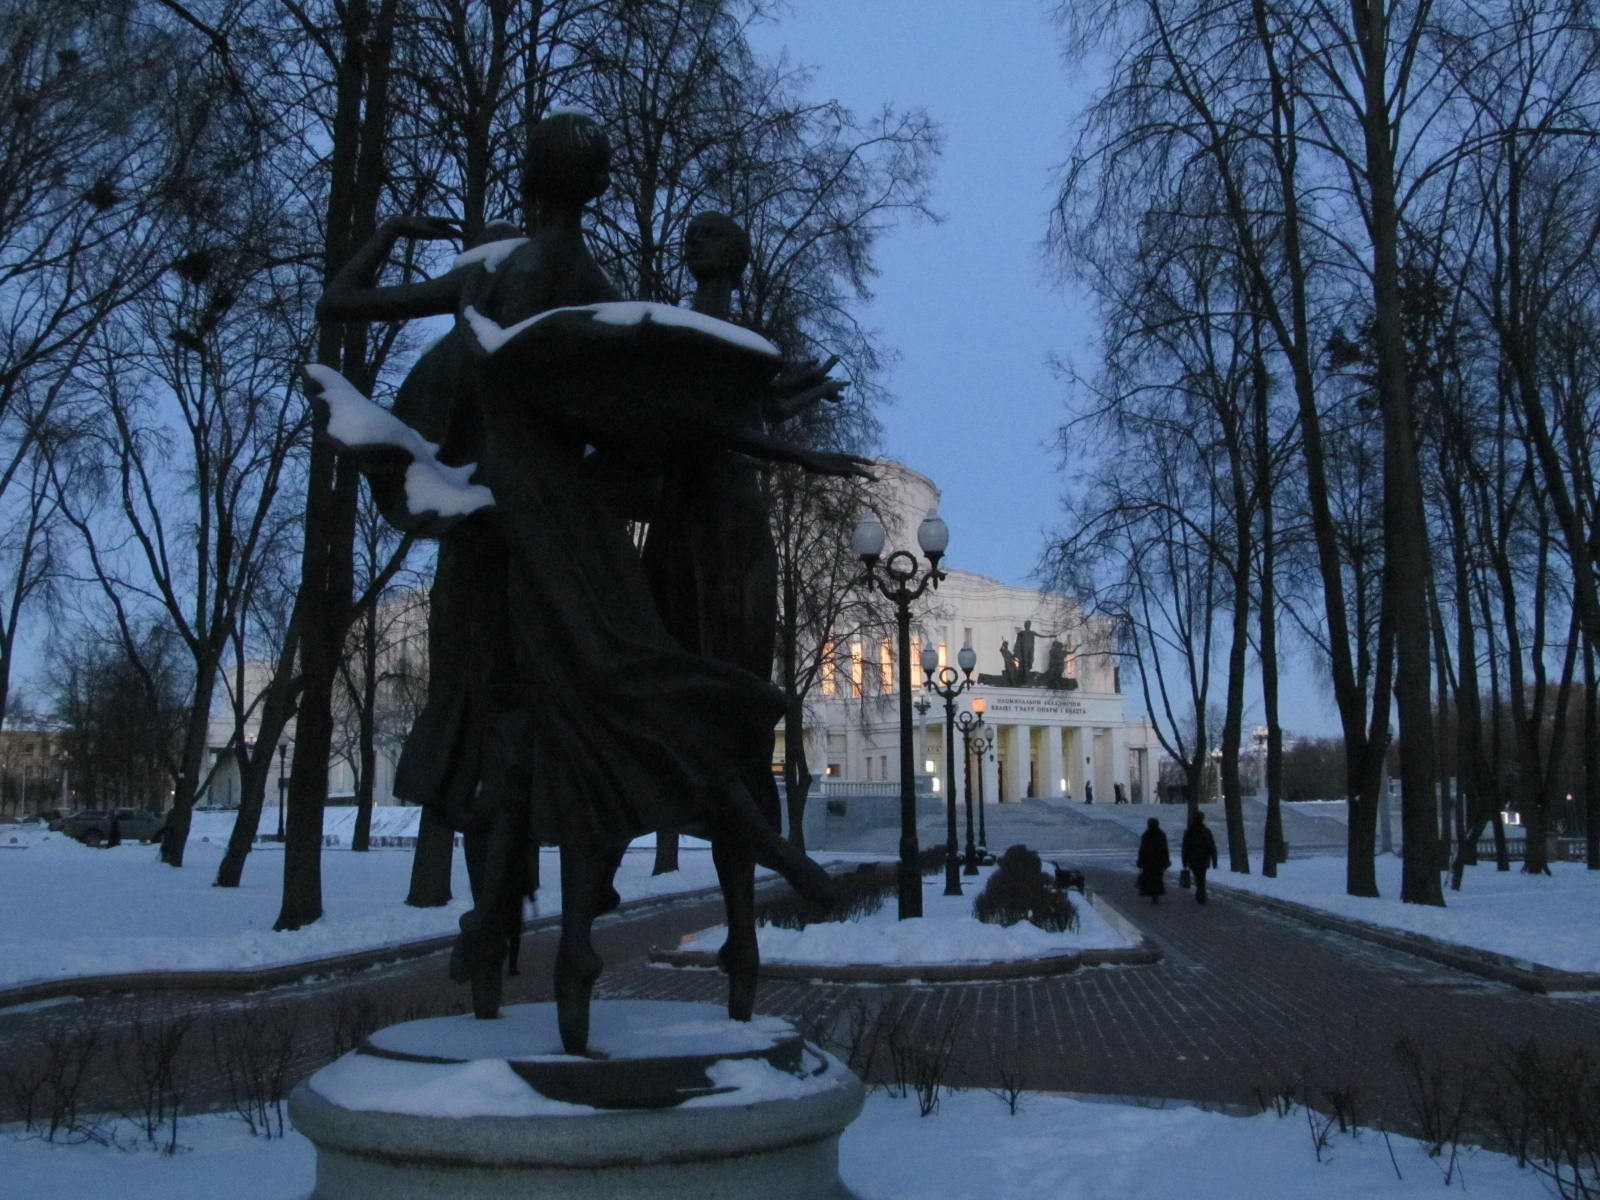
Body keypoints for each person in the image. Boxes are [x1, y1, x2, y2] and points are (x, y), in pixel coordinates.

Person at [1181, 810, 1219, 904]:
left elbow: (1185, 847)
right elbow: (1212, 846)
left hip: (1193, 859)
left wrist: (1184, 860)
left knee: (1198, 877)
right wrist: (1214, 860)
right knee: (1201, 877)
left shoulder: (1189, 831)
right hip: (1204, 858)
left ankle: (1200, 894)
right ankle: (1201, 894)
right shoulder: (1206, 831)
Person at [1136, 817, 1169, 903]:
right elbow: (1165, 849)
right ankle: (1156, 894)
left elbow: (1142, 850)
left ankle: (1152, 894)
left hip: (1148, 861)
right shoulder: (1161, 834)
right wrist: (1166, 860)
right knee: (1157, 878)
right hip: (1158, 861)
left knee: (1150, 878)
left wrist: (1140, 861)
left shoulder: (1146, 835)